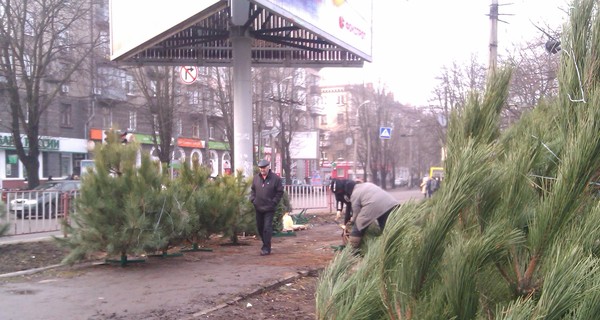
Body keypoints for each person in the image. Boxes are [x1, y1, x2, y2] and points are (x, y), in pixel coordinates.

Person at [344, 181, 400, 250]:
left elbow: (356, 212)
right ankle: (393, 247)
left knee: (358, 226)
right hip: (391, 204)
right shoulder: (368, 184)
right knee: (386, 229)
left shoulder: (354, 194)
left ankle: (352, 249)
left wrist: (352, 221)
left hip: (374, 205)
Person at [250, 159, 284, 256]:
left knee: (267, 228)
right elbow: (253, 190)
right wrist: (253, 200)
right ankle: (265, 243)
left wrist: (273, 202)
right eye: (261, 168)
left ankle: (266, 248)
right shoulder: (256, 178)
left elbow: (280, 192)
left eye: (264, 167)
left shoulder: (275, 179)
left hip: (269, 208)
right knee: (260, 227)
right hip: (258, 207)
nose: (262, 169)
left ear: (268, 167)